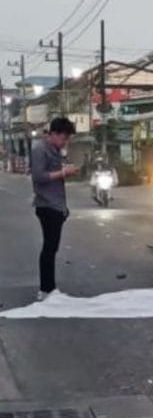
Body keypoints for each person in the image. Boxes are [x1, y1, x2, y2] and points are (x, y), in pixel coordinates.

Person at [30, 117, 79, 301]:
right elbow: (39, 176)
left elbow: (55, 178)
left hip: (56, 205)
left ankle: (49, 287)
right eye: (64, 138)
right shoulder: (40, 149)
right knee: (49, 248)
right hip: (46, 205)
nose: (65, 142)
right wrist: (64, 172)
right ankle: (45, 289)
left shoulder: (55, 150)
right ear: (54, 134)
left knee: (52, 247)